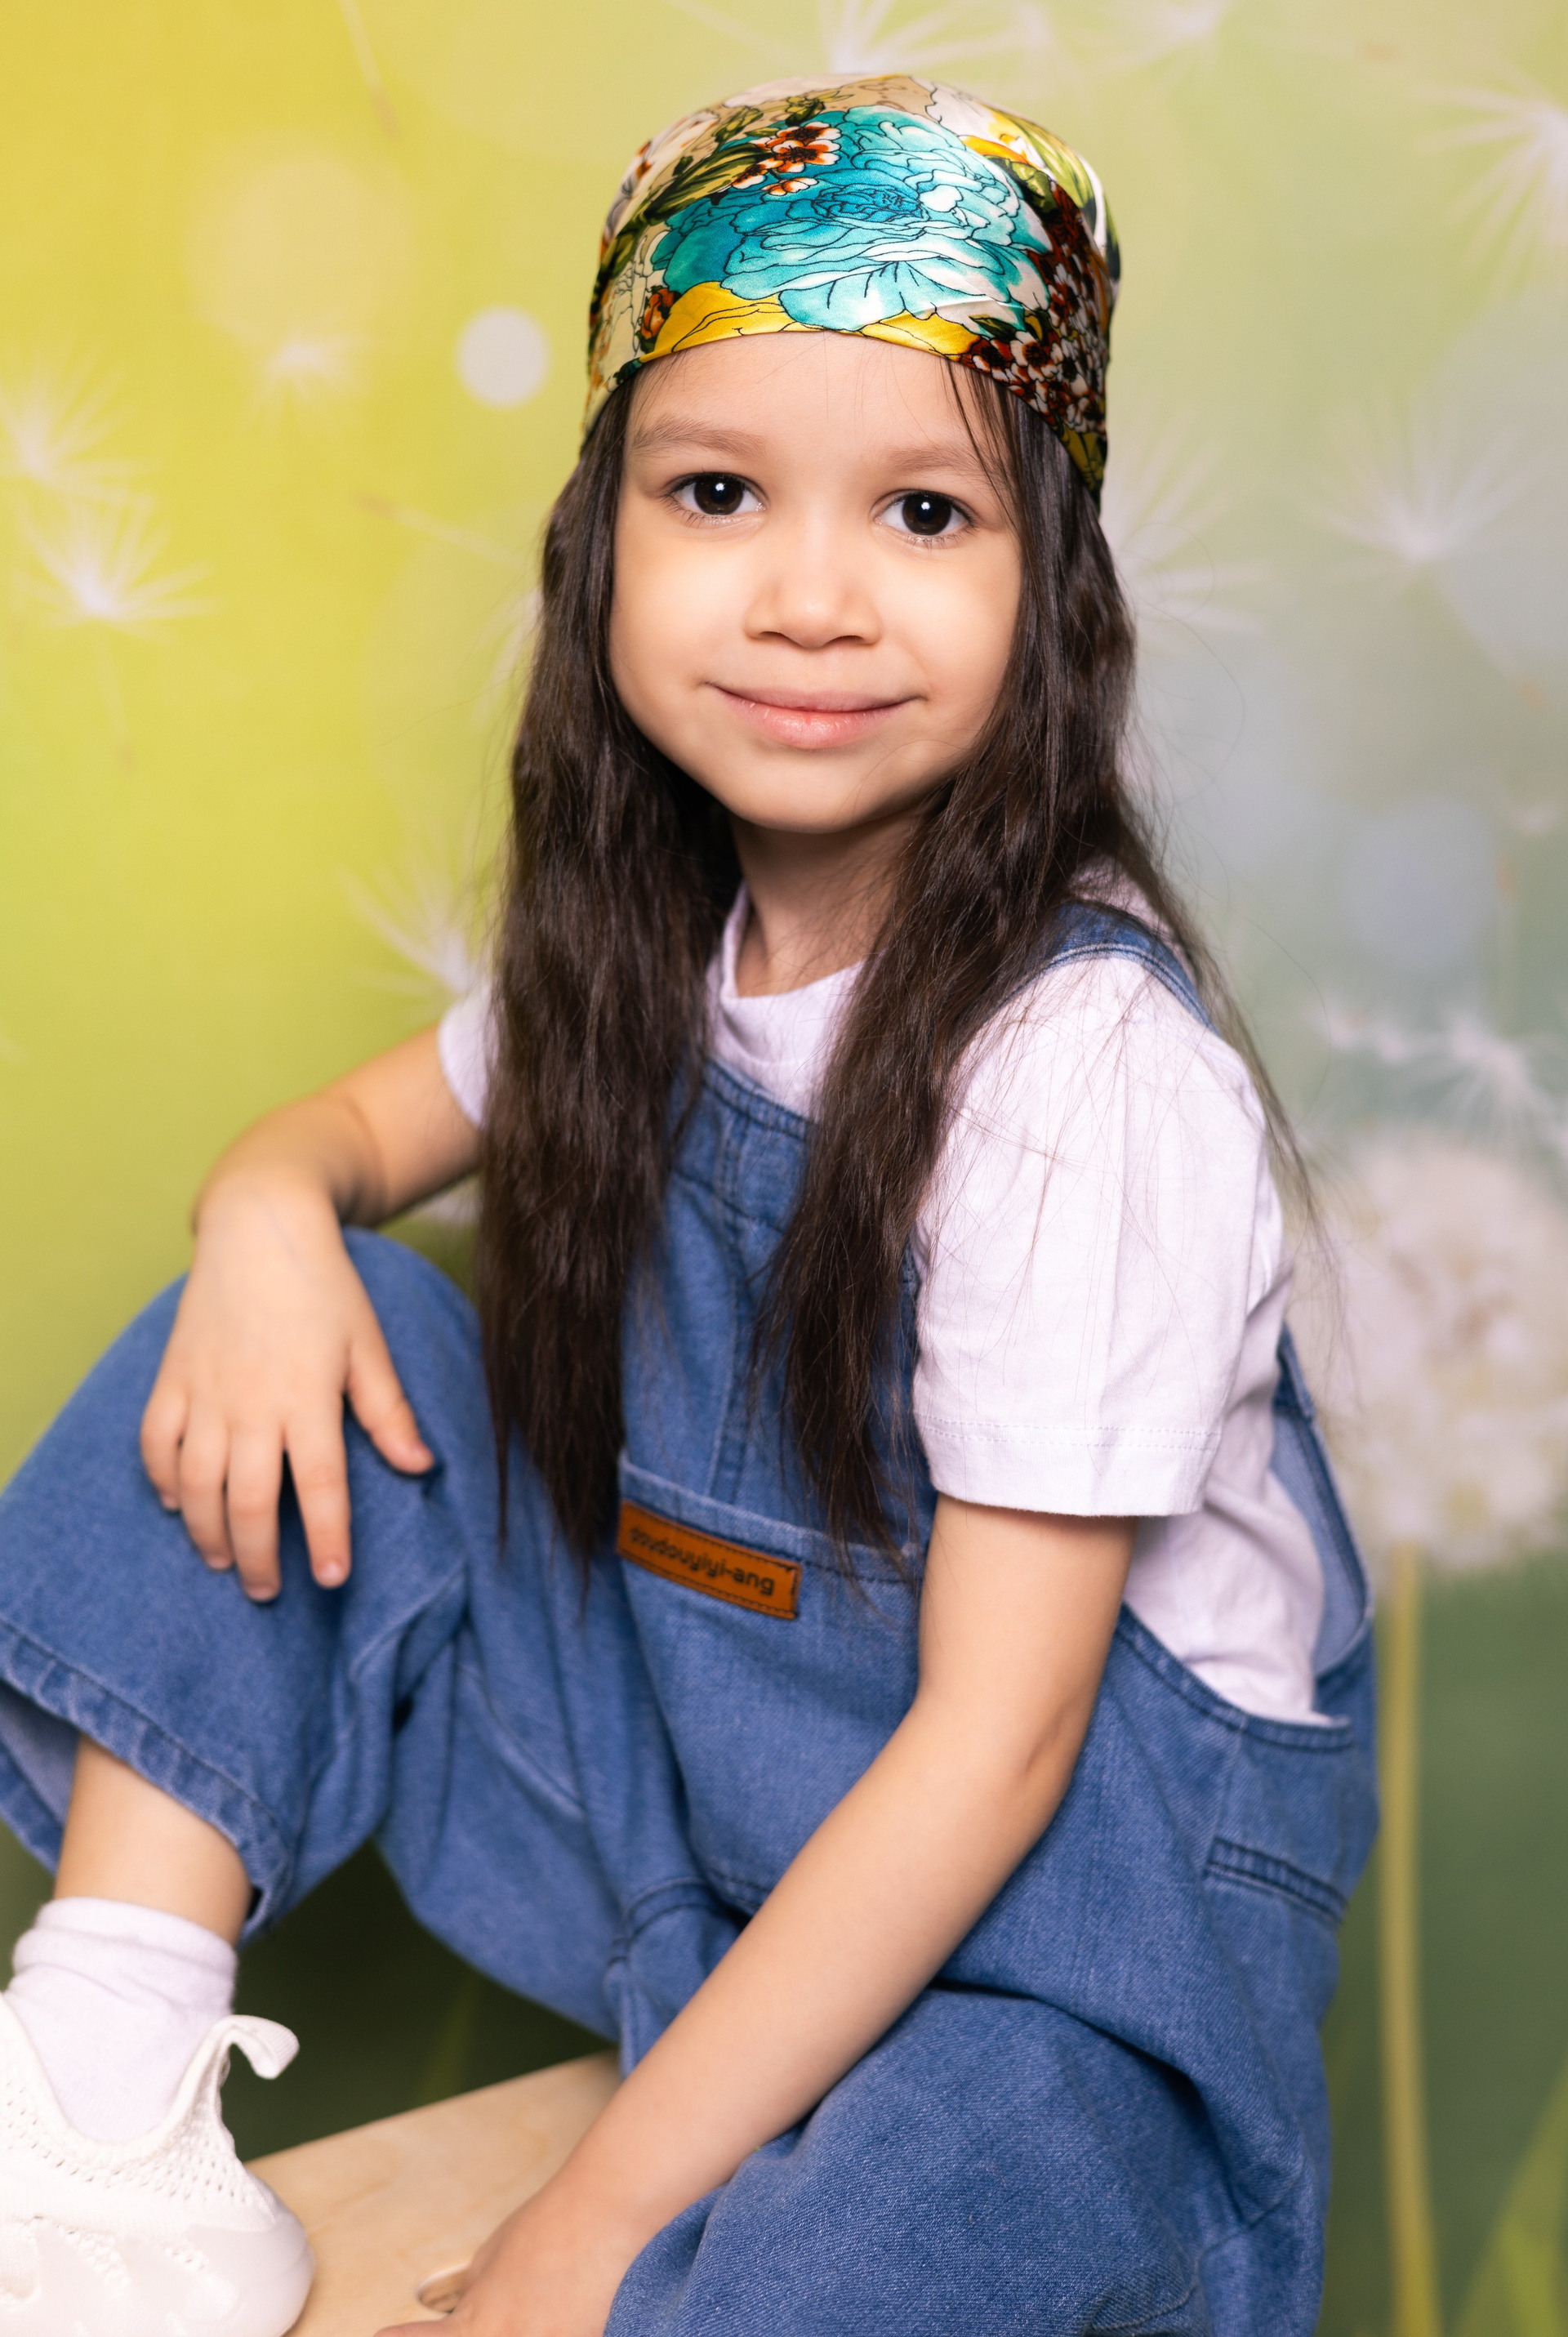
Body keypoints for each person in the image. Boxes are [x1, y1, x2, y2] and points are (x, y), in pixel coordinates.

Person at [0, 74, 1376, 2337]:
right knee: (305, 1323)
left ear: (1051, 591)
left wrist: (591, 2229)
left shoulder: (1081, 1081)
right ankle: (93, 2108)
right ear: (602, 547)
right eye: (718, 492)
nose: (812, 598)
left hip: (1055, 1953)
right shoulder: (643, 954)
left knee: (887, 2247)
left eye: (923, 511)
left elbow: (1001, 1754)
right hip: (697, 1818)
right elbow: (326, 1147)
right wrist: (260, 1216)